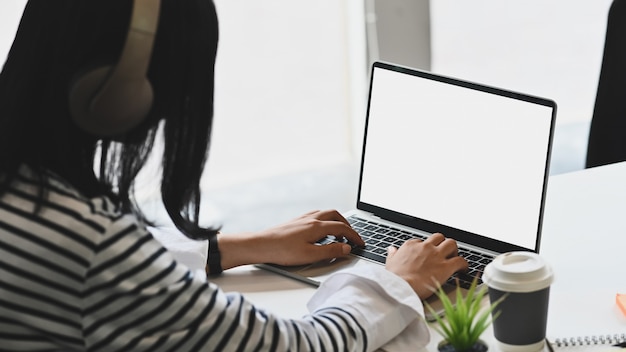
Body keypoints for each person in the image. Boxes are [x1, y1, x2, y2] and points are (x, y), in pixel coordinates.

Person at [0, 1, 468, 351]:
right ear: (124, 91)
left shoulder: (29, 201)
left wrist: (236, 248)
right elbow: (298, 346)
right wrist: (398, 283)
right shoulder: (87, 242)